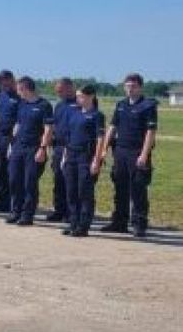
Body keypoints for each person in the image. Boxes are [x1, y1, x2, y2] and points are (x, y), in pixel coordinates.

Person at [101, 73, 158, 238]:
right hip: (120, 152)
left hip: (137, 152)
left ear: (140, 87)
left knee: (138, 189)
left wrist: (144, 154)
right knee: (120, 188)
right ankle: (119, 222)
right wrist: (104, 148)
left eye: (133, 86)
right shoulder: (121, 105)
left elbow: (151, 131)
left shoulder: (148, 105)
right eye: (127, 86)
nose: (129, 89)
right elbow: (112, 127)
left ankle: (139, 224)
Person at [5, 76, 53, 226]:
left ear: (26, 89)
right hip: (18, 147)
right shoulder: (22, 104)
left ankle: (27, 214)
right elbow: (17, 125)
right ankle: (15, 211)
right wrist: (11, 145)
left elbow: (48, 129)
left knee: (29, 183)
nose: (18, 92)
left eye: (19, 89)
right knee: (14, 180)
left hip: (34, 148)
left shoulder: (44, 105)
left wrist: (43, 149)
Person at [61, 84, 106, 237]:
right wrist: (65, 156)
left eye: (80, 96)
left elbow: (100, 139)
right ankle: (73, 223)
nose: (77, 98)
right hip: (71, 155)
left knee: (84, 191)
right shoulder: (74, 113)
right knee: (71, 191)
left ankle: (83, 225)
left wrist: (97, 160)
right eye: (78, 96)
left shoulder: (97, 115)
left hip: (86, 156)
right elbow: (68, 137)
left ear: (90, 96)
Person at [46, 77, 77, 222]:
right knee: (58, 180)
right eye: (57, 91)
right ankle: (59, 210)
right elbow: (54, 125)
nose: (59, 93)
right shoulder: (59, 105)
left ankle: (72, 213)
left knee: (70, 182)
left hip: (72, 147)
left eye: (61, 90)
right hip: (58, 146)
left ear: (70, 88)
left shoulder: (79, 103)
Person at [0, 70, 19, 212]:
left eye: (3, 81)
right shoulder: (1, 96)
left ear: (11, 79)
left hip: (13, 138)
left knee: (12, 172)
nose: (1, 85)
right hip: (1, 136)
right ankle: (2, 201)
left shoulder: (19, 96)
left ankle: (14, 203)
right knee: (0, 170)